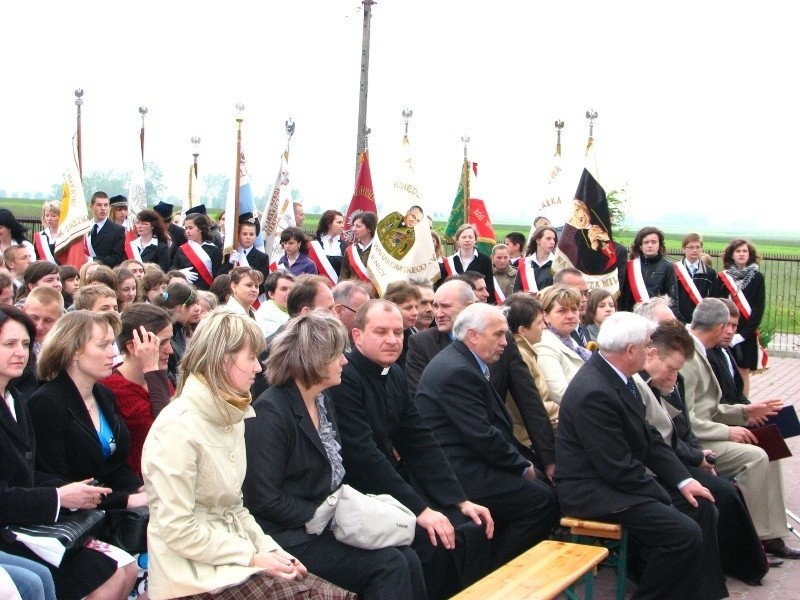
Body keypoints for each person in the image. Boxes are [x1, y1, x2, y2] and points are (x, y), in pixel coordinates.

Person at [141, 310, 353, 600]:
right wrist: (253, 556)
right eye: (251, 357)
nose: (258, 367)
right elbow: (177, 529)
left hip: (230, 559)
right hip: (191, 577)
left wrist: (271, 551)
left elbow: (236, 508)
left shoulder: (231, 416)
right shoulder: (177, 427)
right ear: (223, 359)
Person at [243, 310, 426, 599]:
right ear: (314, 359)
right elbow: (263, 498)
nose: (344, 360)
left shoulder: (322, 398)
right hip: (288, 536)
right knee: (389, 565)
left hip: (324, 523)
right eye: (338, 354)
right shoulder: (271, 412)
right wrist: (319, 515)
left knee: (409, 555)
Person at [555, 311, 728, 600]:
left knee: (701, 506)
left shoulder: (620, 377)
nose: (651, 350)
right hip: (594, 492)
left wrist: (684, 481)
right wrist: (662, 494)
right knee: (682, 534)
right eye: (648, 344)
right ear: (631, 350)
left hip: (618, 482)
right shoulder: (594, 392)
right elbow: (617, 469)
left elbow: (650, 441)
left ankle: (701, 593)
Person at [330, 300, 494, 599]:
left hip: (389, 487)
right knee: (434, 540)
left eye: (398, 332)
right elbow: (364, 456)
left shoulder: (392, 373)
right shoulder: (345, 379)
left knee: (471, 524)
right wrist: (421, 510)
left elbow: (420, 440)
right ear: (357, 336)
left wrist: (458, 499)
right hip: (358, 494)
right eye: (381, 332)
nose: (393, 340)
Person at [0, 305, 137, 600]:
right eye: (9, 344)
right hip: (26, 524)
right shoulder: (44, 403)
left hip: (46, 514)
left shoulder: (15, 400)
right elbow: (39, 476)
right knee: (43, 581)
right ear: (74, 351)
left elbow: (33, 474)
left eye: (25, 344)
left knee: (126, 568)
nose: (21, 352)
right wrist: (61, 496)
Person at [415, 303, 559, 568]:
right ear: (473, 335)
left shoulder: (464, 361)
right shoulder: (457, 370)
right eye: (498, 334)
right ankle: (496, 577)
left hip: (470, 460)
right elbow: (481, 436)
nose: (505, 342)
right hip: (458, 471)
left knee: (542, 489)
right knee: (542, 502)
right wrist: (521, 466)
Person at [633, 312, 771, 584]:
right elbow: (659, 441)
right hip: (658, 465)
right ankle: (710, 573)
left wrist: (699, 456)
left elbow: (684, 429)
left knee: (726, 492)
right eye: (671, 369)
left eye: (677, 369)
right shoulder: (640, 384)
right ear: (651, 355)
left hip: (677, 457)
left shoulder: (674, 380)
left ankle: (744, 562)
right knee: (711, 498)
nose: (675, 376)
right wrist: (695, 457)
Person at [682, 298, 799, 560]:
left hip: (708, 431)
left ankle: (770, 533)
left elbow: (710, 408)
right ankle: (749, 539)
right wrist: (728, 431)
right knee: (755, 456)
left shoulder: (700, 350)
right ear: (720, 325)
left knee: (768, 449)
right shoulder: (689, 355)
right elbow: (686, 420)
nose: (731, 331)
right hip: (695, 442)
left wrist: (745, 413)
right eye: (729, 326)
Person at [405, 279, 556, 475]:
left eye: (446, 306)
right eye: (436, 306)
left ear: (469, 308)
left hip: (502, 445)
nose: (438, 313)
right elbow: (421, 406)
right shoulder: (421, 344)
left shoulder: (502, 338)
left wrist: (549, 461)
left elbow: (529, 401)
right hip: (457, 458)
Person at [28, 310, 147, 511]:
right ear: (73, 350)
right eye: (102, 345)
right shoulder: (46, 404)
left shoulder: (104, 394)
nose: (113, 353)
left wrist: (139, 488)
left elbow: (113, 464)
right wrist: (126, 500)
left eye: (112, 344)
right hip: (75, 519)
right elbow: (58, 484)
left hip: (107, 509)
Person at [100, 303, 174, 478]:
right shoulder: (113, 387)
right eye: (161, 343)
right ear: (134, 347)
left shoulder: (161, 379)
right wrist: (152, 370)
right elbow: (165, 429)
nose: (170, 349)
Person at [713, 238, 765, 397]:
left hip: (745, 334)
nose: (742, 254)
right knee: (723, 369)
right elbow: (716, 304)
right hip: (724, 331)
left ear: (750, 255)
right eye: (738, 251)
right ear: (731, 255)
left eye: (745, 251)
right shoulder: (723, 278)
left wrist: (742, 335)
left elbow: (758, 308)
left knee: (743, 371)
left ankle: (743, 406)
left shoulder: (757, 277)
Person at [503, 293, 557, 437]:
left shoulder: (526, 351)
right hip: (529, 438)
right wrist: (564, 407)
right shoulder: (519, 356)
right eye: (539, 323)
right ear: (522, 330)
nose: (545, 326)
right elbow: (527, 407)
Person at [534, 286, 591, 405]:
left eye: (574, 309)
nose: (570, 315)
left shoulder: (569, 339)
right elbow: (561, 394)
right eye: (562, 311)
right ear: (545, 316)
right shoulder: (544, 345)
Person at [618, 226, 678, 312]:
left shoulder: (668, 266)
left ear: (659, 245)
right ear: (640, 246)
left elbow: (672, 298)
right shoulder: (631, 266)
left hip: (656, 315)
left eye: (654, 242)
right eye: (646, 242)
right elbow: (625, 296)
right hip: (634, 315)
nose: (650, 245)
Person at [154, 282, 200, 384]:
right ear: (182, 308)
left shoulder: (179, 330)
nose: (198, 308)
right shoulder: (166, 335)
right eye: (192, 305)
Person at [442, 224, 495, 304]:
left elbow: (489, 285)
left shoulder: (485, 260)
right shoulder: (449, 261)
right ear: (458, 240)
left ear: (475, 239)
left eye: (470, 237)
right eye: (464, 237)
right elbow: (444, 285)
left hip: (478, 304)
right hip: (456, 303)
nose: (467, 240)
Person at [170, 211, 222, 291]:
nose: (187, 231)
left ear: (200, 228)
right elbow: (172, 271)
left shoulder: (214, 250)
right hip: (186, 291)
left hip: (206, 291)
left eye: (191, 228)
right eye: (186, 228)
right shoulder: (181, 249)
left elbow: (218, 275)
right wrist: (181, 273)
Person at [220, 213, 270, 293]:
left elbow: (263, 283)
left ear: (255, 236)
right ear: (238, 235)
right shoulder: (229, 253)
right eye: (244, 234)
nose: (248, 237)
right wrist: (229, 263)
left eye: (251, 234)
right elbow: (220, 277)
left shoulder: (262, 257)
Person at [674, 233, 716, 323]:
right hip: (677, 320)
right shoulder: (673, 270)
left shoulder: (710, 273)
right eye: (691, 247)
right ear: (684, 249)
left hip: (701, 321)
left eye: (698, 247)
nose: (695, 250)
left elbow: (711, 299)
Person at [382, 280, 421, 369]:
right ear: (391, 307)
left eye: (417, 307)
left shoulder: (413, 334)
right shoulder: (383, 338)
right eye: (408, 308)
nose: (415, 312)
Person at [86, 192, 126, 268]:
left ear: (109, 207)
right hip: (85, 272)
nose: (103, 208)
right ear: (91, 207)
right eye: (99, 205)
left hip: (105, 273)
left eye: (106, 205)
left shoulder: (117, 230)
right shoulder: (84, 228)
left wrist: (91, 260)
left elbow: (117, 258)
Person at [514, 225, 557, 293]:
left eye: (554, 239)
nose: (553, 242)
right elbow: (516, 292)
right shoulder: (525, 263)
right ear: (538, 240)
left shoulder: (556, 265)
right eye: (548, 238)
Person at [22, 287, 64, 358]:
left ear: (60, 320)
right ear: (23, 312)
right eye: (34, 318)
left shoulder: (65, 350)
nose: (39, 326)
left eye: (48, 320)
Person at [339, 211, 376, 283]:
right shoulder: (350, 250)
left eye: (358, 226)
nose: (353, 229)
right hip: (353, 292)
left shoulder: (378, 250)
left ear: (369, 228)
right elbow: (343, 276)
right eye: (353, 225)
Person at [254, 271, 295, 337]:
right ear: (271, 294)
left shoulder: (297, 309)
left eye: (292, 289)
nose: (289, 293)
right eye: (284, 289)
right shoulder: (266, 314)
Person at [130, 209, 170, 273]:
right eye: (138, 223)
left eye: (144, 224)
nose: (139, 226)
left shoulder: (161, 248)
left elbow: (163, 271)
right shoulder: (131, 244)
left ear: (153, 226)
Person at [314, 210, 348, 277]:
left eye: (342, 222)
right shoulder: (314, 243)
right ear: (328, 224)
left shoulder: (344, 245)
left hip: (337, 285)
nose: (342, 226)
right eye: (339, 222)